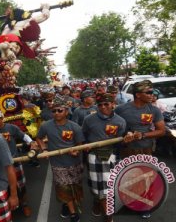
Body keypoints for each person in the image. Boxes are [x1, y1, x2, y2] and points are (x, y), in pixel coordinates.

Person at [114, 80, 165, 219]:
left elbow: (161, 131)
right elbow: (113, 127)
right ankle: (128, 201)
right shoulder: (121, 109)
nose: (152, 95)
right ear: (137, 95)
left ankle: (144, 206)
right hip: (127, 150)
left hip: (146, 149)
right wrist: (125, 134)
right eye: (148, 92)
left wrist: (143, 135)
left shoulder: (153, 109)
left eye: (152, 92)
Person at [34, 98, 84, 222]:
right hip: (57, 164)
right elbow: (38, 138)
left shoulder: (75, 127)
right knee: (63, 186)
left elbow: (80, 144)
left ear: (66, 112)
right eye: (54, 111)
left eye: (60, 110)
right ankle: (73, 213)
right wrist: (44, 149)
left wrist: (76, 151)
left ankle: (67, 204)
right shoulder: (46, 125)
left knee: (74, 186)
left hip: (74, 163)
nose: (56, 113)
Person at [82, 93, 126, 222]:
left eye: (106, 104)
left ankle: (105, 211)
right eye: (100, 104)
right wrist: (85, 145)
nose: (103, 107)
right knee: (97, 186)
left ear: (113, 104)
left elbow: (121, 142)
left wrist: (126, 140)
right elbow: (82, 136)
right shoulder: (88, 119)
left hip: (112, 156)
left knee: (109, 186)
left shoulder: (120, 121)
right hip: (93, 157)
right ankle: (104, 210)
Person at [0, 110, 33, 217]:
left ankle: (25, 205)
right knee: (3, 188)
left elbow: (24, 136)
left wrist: (32, 142)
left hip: (14, 162)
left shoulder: (11, 128)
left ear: (2, 118)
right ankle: (7, 209)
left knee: (21, 185)